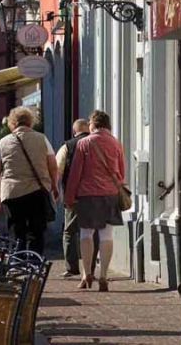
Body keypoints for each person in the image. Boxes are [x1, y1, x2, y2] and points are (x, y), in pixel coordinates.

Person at [64, 110, 125, 292]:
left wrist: (69, 198)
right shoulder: (116, 143)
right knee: (106, 236)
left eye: (89, 122)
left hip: (87, 195)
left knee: (86, 234)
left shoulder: (84, 143)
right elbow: (121, 173)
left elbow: (75, 174)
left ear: (93, 124)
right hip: (110, 194)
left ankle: (86, 273)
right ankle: (104, 276)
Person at [0, 107, 59, 255]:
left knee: (17, 233)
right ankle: (34, 267)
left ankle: (17, 267)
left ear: (12, 123)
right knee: (36, 232)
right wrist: (54, 186)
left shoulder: (3, 142)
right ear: (30, 121)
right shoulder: (42, 138)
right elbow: (53, 166)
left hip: (12, 193)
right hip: (37, 191)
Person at [56, 119, 99, 278]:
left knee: (69, 232)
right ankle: (91, 269)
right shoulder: (97, 144)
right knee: (92, 232)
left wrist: (57, 191)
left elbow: (58, 171)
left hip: (73, 195)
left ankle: (71, 267)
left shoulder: (67, 146)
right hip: (95, 195)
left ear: (74, 132)